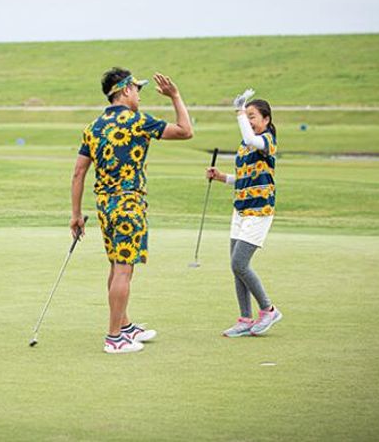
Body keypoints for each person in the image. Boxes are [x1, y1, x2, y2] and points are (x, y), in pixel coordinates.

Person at [71, 68, 193, 354]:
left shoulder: (94, 127)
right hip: (129, 204)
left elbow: (78, 173)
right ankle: (114, 338)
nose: (139, 94)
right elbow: (186, 131)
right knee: (124, 271)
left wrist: (76, 215)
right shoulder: (138, 121)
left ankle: (123, 325)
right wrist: (175, 96)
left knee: (117, 266)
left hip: (105, 206)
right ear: (125, 90)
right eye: (137, 89)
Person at [206, 90, 282, 337]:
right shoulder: (246, 145)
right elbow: (243, 178)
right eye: (246, 116)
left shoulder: (266, 141)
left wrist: (239, 111)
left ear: (266, 120)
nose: (249, 120)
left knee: (239, 263)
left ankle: (268, 309)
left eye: (253, 116)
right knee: (236, 266)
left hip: (259, 212)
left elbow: (251, 139)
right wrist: (221, 178)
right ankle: (245, 319)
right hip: (240, 210)